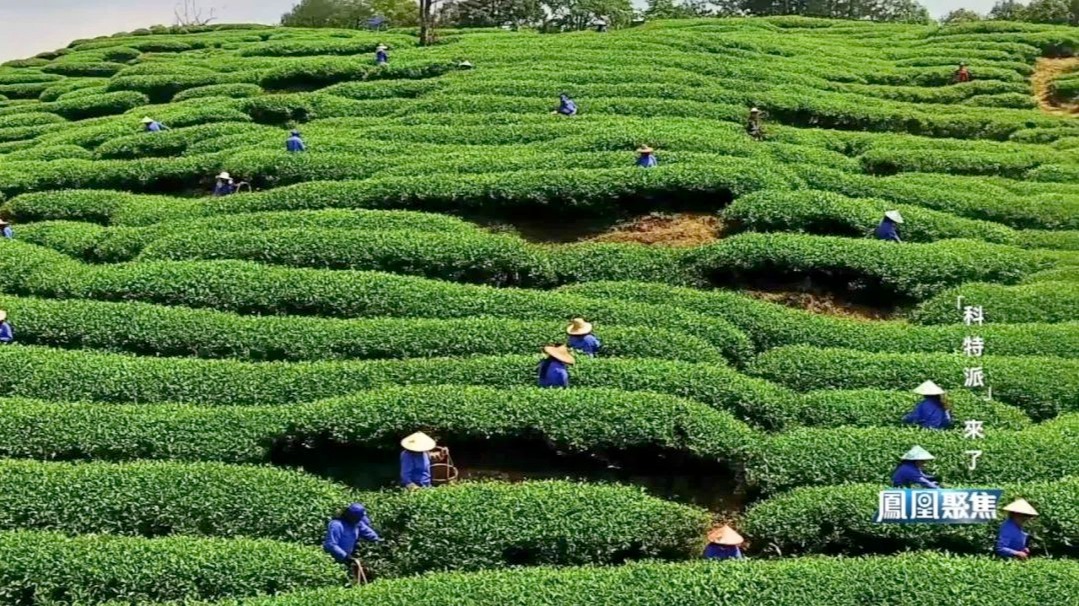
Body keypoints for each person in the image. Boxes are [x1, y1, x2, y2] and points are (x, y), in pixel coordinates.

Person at [322, 502, 381, 579]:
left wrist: (378, 540)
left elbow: (370, 534)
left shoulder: (357, 523)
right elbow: (331, 545)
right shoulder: (336, 525)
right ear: (350, 517)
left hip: (348, 558)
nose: (359, 520)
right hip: (334, 559)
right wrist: (346, 557)